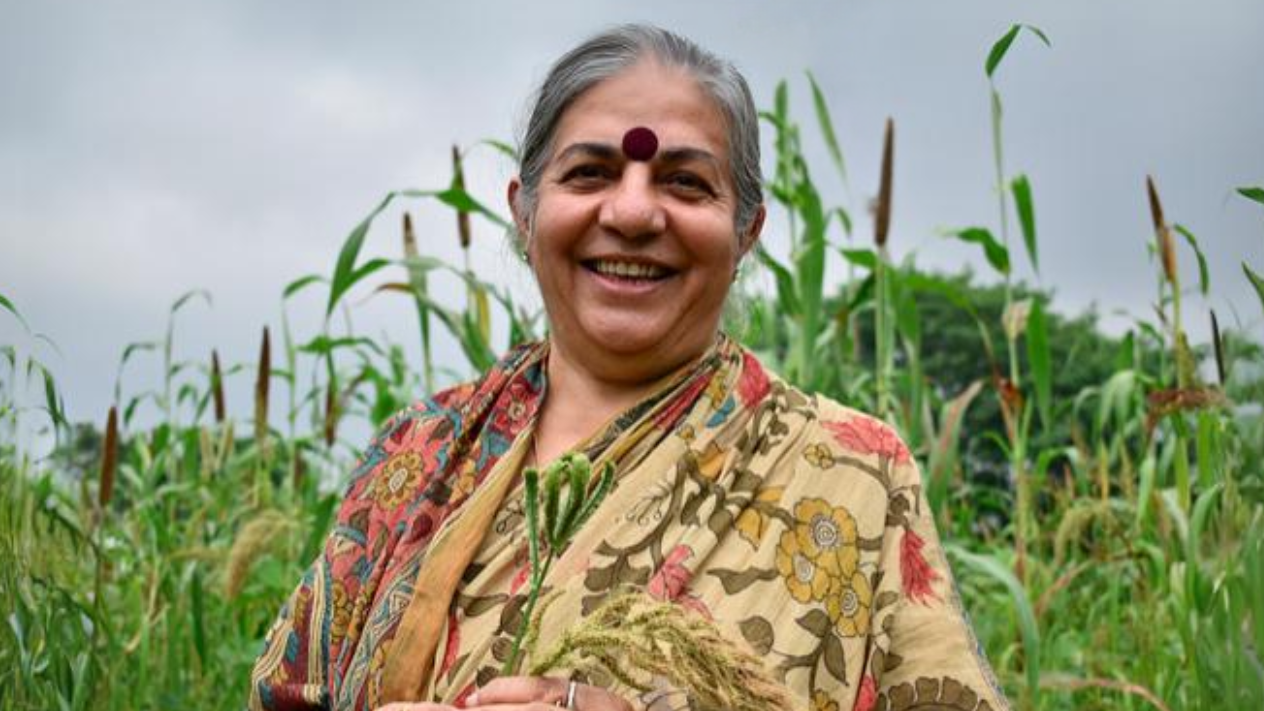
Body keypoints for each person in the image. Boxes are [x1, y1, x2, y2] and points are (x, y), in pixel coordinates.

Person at [249, 24, 1009, 711]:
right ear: (523, 212)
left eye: (686, 182)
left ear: (747, 231)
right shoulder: (416, 457)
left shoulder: (850, 473)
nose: (635, 213)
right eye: (589, 174)